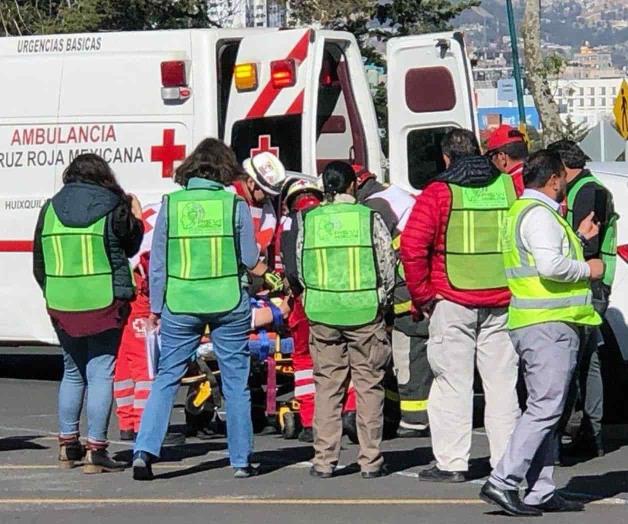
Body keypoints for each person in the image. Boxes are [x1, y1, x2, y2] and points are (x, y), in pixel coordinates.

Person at [480, 150, 602, 516]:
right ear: (553, 180)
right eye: (563, 178)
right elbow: (550, 266)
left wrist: (577, 241)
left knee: (547, 408)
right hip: (548, 324)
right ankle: (503, 481)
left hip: (537, 321)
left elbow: (540, 261)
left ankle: (539, 489)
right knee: (545, 408)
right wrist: (588, 268)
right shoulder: (540, 216)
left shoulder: (526, 212)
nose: (565, 183)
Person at [132, 138, 261, 481]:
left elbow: (157, 264)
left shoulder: (170, 207)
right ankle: (241, 460)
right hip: (229, 301)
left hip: (181, 302)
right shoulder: (234, 206)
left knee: (166, 379)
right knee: (235, 383)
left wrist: (157, 307)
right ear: (225, 169)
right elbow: (249, 258)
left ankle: (144, 452)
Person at [400, 129, 520, 483]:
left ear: (447, 158)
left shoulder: (438, 192)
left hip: (451, 300)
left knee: (453, 383)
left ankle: (452, 463)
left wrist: (423, 296)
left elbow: (412, 247)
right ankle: (506, 464)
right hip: (503, 300)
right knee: (502, 386)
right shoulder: (507, 187)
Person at [32, 153, 144, 473]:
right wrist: (136, 218)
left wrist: (53, 292)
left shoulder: (50, 207)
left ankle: (68, 446)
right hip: (105, 300)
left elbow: (39, 260)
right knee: (101, 372)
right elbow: (131, 245)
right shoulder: (114, 205)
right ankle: (97, 450)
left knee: (71, 371)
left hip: (62, 300)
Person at [287, 163, 395, 479]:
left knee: (327, 387)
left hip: (322, 312)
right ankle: (371, 460)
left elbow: (301, 266)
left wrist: (311, 297)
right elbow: (386, 263)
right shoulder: (369, 217)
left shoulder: (309, 219)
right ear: (352, 186)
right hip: (364, 310)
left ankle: (323, 460)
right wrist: (381, 301)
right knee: (369, 386)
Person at [548, 139, 617, 458]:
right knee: (587, 360)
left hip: (589, 286)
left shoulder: (587, 191)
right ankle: (592, 432)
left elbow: (585, 246)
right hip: (593, 284)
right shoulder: (588, 188)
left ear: (562, 167)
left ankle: (582, 431)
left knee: (574, 361)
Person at [353, 163, 432, 438]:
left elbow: (369, 253)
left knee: (408, 353)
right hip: (419, 282)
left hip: (406, 292)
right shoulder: (394, 194)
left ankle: (414, 418)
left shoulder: (374, 207)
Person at [279, 177, 357, 443]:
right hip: (339, 297)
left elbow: (289, 270)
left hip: (304, 300)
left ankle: (311, 420)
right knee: (345, 355)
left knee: (303, 360)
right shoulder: (333, 217)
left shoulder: (290, 224)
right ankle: (350, 411)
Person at [113, 203, 161, 441]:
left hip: (121, 302)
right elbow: (151, 271)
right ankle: (143, 426)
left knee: (124, 367)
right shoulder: (150, 232)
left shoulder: (119, 229)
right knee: (145, 368)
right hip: (139, 301)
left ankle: (127, 423)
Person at [486, 124, 529, 195]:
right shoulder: (540, 177)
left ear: (502, 157)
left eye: (490, 157)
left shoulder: (509, 187)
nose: (491, 162)